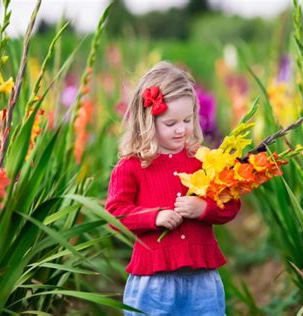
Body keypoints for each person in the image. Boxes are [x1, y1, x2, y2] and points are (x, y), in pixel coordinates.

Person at [105, 61, 241, 315]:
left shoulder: (203, 159)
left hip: (201, 280)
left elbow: (231, 203)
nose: (181, 129)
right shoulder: (133, 165)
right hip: (154, 282)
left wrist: (204, 208)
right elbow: (114, 213)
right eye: (171, 124)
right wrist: (153, 217)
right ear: (147, 121)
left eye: (188, 120)